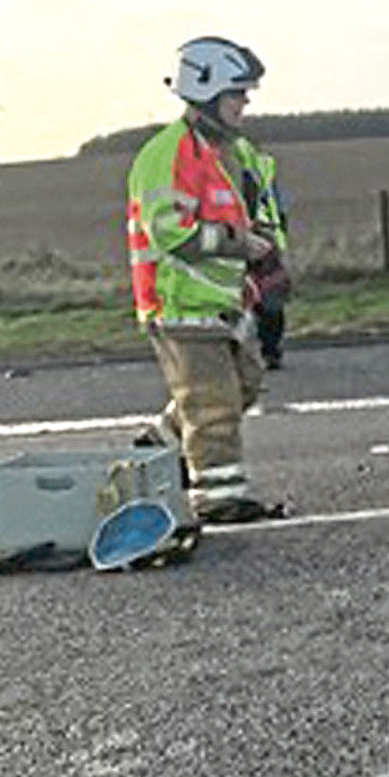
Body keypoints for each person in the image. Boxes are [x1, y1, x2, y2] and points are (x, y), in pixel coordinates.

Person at [127, 36, 283, 524]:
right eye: (238, 94)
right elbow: (170, 229)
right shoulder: (168, 154)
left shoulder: (235, 155)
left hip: (225, 303)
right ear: (208, 91)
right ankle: (218, 498)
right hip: (178, 303)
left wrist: (270, 263)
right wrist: (242, 244)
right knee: (214, 404)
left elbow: (264, 215)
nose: (245, 103)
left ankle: (163, 441)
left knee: (245, 387)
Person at [236, 138, 292, 368]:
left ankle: (259, 351)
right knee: (269, 298)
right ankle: (269, 350)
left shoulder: (221, 167)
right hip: (264, 237)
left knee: (260, 298)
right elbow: (277, 205)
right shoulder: (263, 167)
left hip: (252, 236)